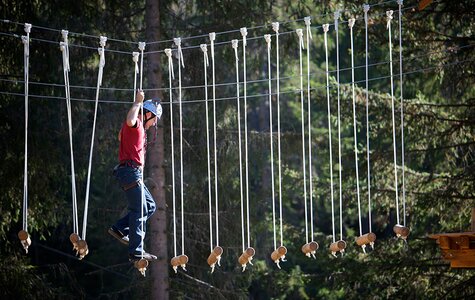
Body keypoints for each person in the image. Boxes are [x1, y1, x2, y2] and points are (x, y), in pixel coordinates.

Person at [108, 89, 162, 261]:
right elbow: (130, 120)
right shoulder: (136, 123)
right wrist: (138, 102)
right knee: (139, 209)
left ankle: (119, 229)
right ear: (149, 114)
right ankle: (136, 252)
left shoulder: (138, 130)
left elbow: (120, 136)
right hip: (130, 172)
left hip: (132, 172)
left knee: (150, 206)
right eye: (155, 119)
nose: (154, 124)